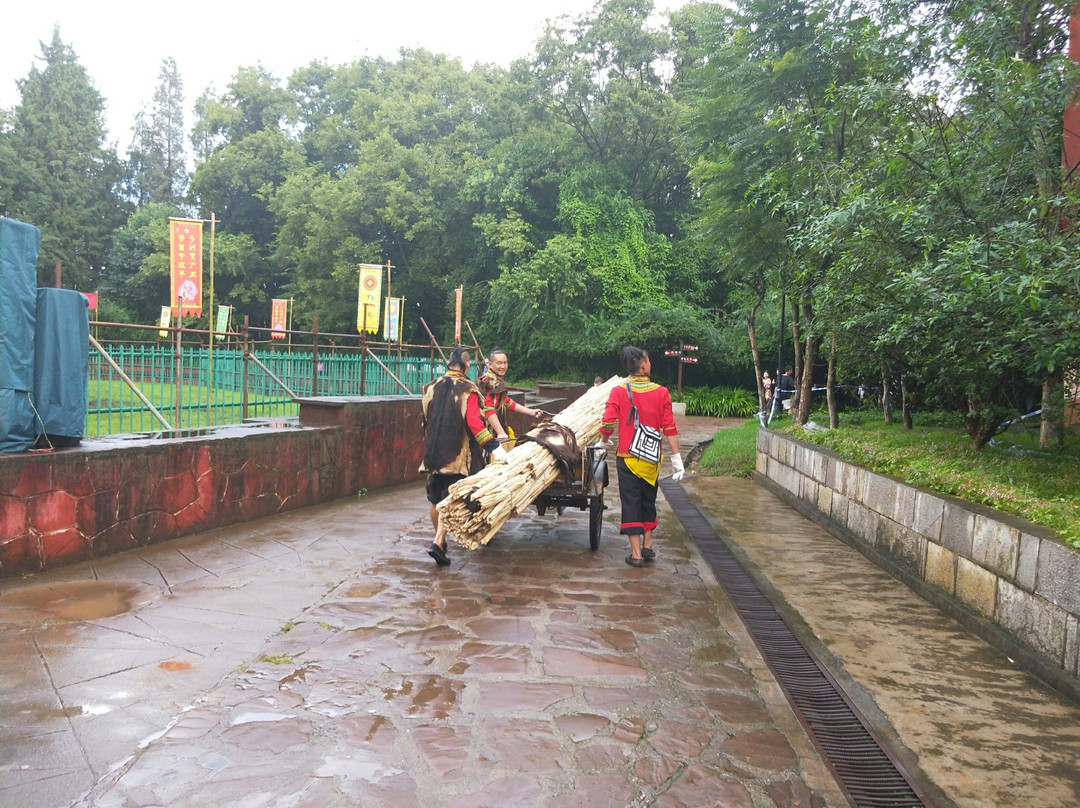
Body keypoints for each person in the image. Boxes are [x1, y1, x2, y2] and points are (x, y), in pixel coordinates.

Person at [420, 346, 508, 566]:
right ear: (467, 366)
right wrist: (494, 447)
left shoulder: (431, 387)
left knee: (434, 498)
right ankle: (439, 541)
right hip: (456, 454)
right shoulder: (467, 389)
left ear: (449, 364)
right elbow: (475, 424)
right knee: (450, 499)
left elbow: (425, 420)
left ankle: (440, 542)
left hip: (432, 452)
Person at [599, 346, 684, 568]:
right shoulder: (662, 392)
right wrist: (677, 459)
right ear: (643, 364)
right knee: (649, 499)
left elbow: (607, 421)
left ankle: (635, 554)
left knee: (631, 502)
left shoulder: (619, 390)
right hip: (652, 458)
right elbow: (669, 427)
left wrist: (603, 440)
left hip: (627, 456)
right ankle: (648, 545)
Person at [479, 347, 545, 444]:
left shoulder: (495, 379)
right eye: (499, 363)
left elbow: (507, 402)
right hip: (483, 431)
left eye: (505, 363)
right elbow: (488, 409)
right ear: (490, 365)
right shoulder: (490, 382)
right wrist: (500, 432)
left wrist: (531, 412)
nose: (503, 366)